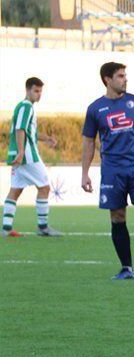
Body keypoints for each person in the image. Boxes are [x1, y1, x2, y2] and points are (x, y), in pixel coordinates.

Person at [81, 62, 134, 280]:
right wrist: (85, 172)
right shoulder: (95, 108)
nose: (125, 79)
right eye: (120, 76)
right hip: (112, 171)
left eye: (125, 75)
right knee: (117, 217)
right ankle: (126, 268)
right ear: (107, 79)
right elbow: (89, 142)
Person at [3, 77, 62, 237]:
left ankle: (6, 228)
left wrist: (47, 138)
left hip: (18, 155)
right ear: (28, 90)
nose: (39, 94)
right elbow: (20, 129)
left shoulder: (23, 107)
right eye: (36, 91)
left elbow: (30, 132)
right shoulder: (26, 106)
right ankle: (43, 227)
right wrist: (22, 152)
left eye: (40, 91)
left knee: (15, 190)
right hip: (27, 156)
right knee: (44, 187)